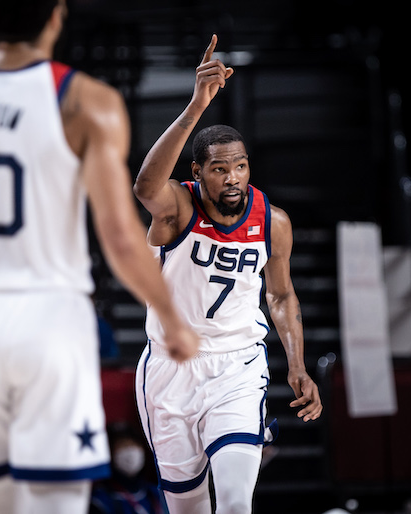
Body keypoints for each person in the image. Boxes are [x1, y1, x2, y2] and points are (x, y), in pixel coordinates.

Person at [0, 1, 198, 513]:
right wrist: (172, 318)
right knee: (57, 504)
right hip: (50, 318)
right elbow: (118, 236)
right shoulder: (88, 101)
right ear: (56, 16)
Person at [132, 35, 323, 513]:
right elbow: (144, 186)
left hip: (238, 366)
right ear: (198, 173)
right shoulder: (178, 208)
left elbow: (280, 296)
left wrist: (296, 363)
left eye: (240, 166)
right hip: (170, 369)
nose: (234, 177)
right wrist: (197, 105)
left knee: (237, 502)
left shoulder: (272, 220)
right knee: (188, 508)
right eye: (220, 169)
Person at [89, 423, 165, 514]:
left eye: (134, 444)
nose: (130, 451)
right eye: (122, 445)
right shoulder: (99, 501)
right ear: (110, 453)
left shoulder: (157, 493)